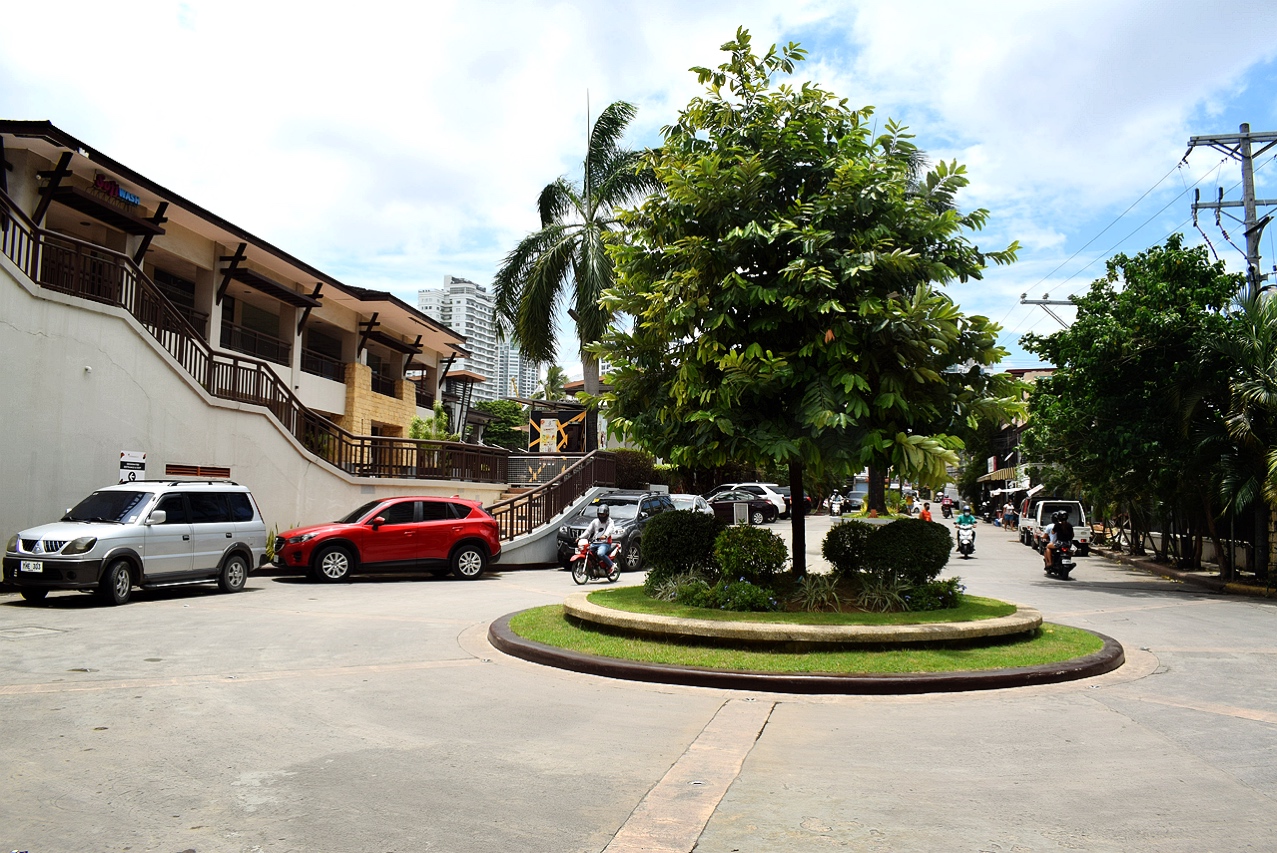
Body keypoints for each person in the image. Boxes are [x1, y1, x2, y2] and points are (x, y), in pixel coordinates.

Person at [582, 504, 618, 570]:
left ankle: (612, 565)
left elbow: (610, 530)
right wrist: (580, 537)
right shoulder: (595, 521)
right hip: (594, 542)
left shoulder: (610, 522)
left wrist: (605, 536)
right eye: (600, 514)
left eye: (603, 514)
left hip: (605, 543)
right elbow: (588, 531)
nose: (601, 516)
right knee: (586, 551)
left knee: (600, 553)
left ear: (607, 514)